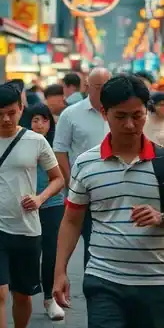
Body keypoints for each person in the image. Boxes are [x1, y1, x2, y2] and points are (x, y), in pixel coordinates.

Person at [54, 75, 164, 328]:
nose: (130, 125)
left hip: (154, 283)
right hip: (103, 281)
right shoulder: (86, 164)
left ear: (146, 112)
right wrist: (59, 271)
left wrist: (162, 217)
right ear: (104, 113)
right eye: (120, 116)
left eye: (137, 115)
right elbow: (71, 220)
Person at [0, 83, 64, 328]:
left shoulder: (36, 141)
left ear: (21, 109)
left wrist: (40, 197)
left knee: (22, 294)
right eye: (0, 113)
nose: (6, 119)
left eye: (12, 112)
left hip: (27, 228)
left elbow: (58, 179)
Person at [52, 68, 111, 268]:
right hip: (84, 192)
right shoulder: (71, 114)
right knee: (91, 242)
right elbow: (60, 151)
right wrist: (71, 183)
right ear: (87, 87)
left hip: (115, 189)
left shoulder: (118, 114)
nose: (104, 91)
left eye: (108, 87)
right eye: (99, 87)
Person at [23, 103, 66, 322]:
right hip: (26, 206)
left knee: (51, 253)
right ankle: (25, 298)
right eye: (35, 119)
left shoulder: (55, 146)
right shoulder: (19, 144)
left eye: (44, 119)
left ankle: (50, 299)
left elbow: (62, 176)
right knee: (31, 253)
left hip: (52, 204)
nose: (40, 124)